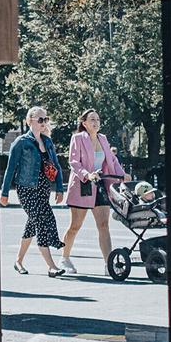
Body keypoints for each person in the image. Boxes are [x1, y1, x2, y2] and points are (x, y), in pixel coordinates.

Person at [0, 105, 67, 277]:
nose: (44, 123)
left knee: (32, 224)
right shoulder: (21, 142)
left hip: (43, 189)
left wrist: (59, 188)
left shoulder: (48, 142)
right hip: (26, 188)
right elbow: (10, 168)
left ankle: (18, 261)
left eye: (46, 119)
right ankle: (51, 266)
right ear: (30, 121)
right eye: (40, 119)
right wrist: (4, 192)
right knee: (41, 222)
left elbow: (56, 166)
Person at [60, 109, 128, 274]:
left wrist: (121, 174)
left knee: (104, 225)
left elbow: (112, 160)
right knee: (75, 226)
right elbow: (74, 162)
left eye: (97, 119)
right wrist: (86, 175)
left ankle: (108, 264)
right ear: (84, 123)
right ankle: (65, 258)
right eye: (92, 119)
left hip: (100, 185)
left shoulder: (103, 139)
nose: (96, 122)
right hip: (82, 185)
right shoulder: (77, 138)